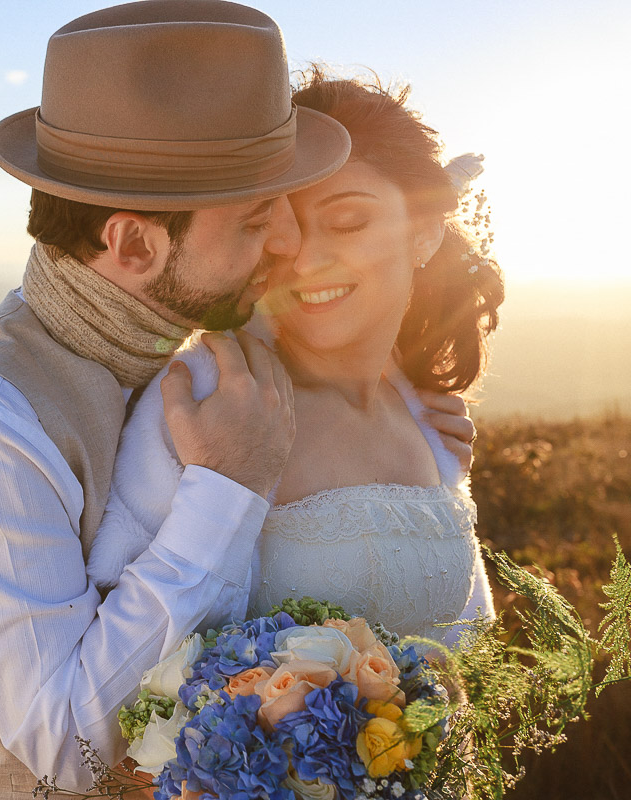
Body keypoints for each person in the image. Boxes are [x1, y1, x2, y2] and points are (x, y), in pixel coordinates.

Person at [0, 2, 354, 795]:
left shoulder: (177, 340)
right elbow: (69, 749)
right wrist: (226, 487)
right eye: (257, 220)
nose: (290, 244)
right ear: (133, 244)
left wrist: (398, 410)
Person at [87, 69, 504, 652]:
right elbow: (119, 654)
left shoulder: (428, 421)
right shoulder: (206, 397)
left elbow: (463, 638)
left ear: (425, 233)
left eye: (348, 222)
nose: (305, 262)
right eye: (279, 226)